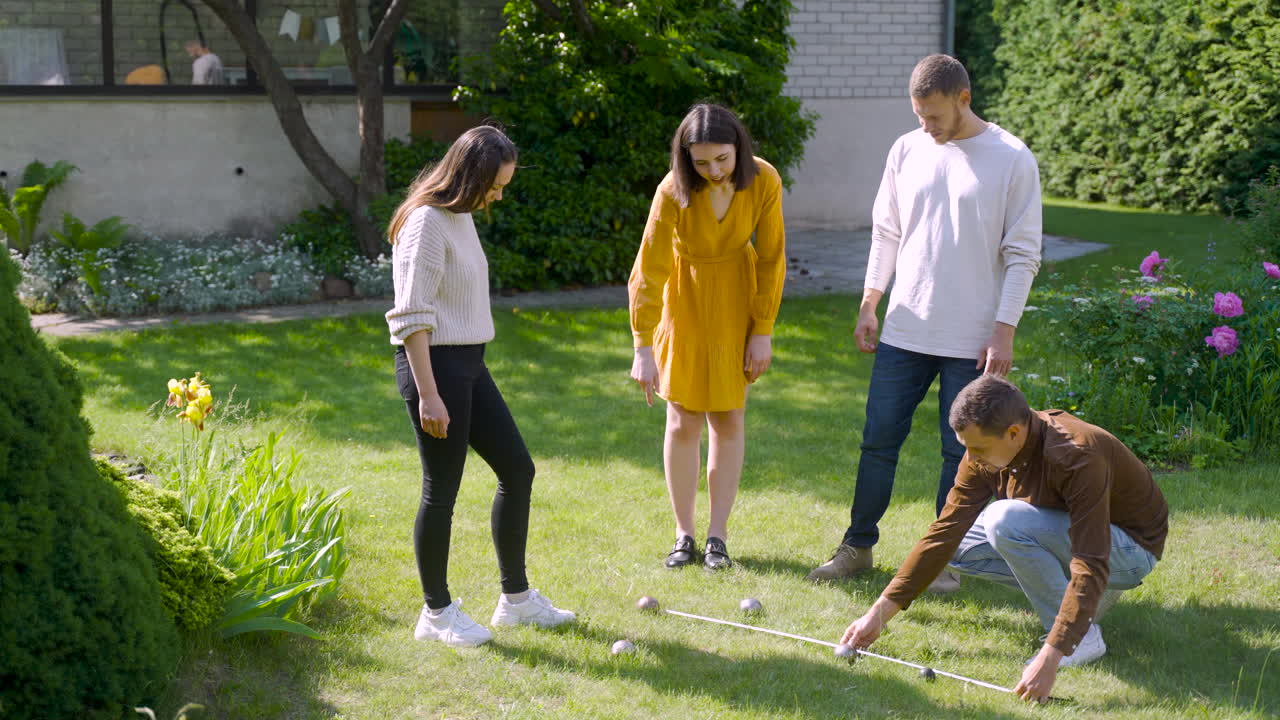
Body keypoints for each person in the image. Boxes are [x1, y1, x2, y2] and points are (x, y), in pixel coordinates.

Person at [807, 54, 1042, 591]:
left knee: (960, 453)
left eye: (934, 115)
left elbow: (1024, 253)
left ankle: (944, 560)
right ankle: (857, 547)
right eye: (918, 115)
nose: (926, 125)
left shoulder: (1011, 157)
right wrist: (871, 300)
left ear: (964, 99)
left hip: (972, 340)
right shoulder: (906, 149)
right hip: (905, 329)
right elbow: (886, 231)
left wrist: (1004, 329)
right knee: (878, 441)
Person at [840, 375, 1167, 703]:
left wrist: (1053, 653)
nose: (971, 458)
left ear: (1013, 433)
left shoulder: (1076, 455)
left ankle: (1081, 638)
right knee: (956, 549)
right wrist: (877, 615)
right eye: (966, 447)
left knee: (1004, 521)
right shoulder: (985, 452)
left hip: (1130, 549)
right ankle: (1081, 604)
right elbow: (945, 532)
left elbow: (1091, 560)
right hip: (1080, 540)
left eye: (978, 448)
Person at [385, 125, 575, 648]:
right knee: (441, 489)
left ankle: (516, 601)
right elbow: (412, 315)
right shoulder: (426, 222)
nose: (497, 196)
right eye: (494, 186)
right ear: (469, 177)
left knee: (518, 469)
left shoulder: (460, 215)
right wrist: (428, 394)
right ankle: (436, 613)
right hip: (435, 368)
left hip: (469, 363)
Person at [628, 103, 786, 571]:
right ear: (685, 159)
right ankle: (685, 535)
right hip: (685, 301)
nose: (714, 170)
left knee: (729, 418)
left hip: (738, 300)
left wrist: (762, 330)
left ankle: (718, 536)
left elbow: (772, 259)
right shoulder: (671, 190)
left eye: (722, 159)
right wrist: (642, 345)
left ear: (739, 148)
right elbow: (649, 268)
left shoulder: (764, 180)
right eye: (701, 162)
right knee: (682, 420)